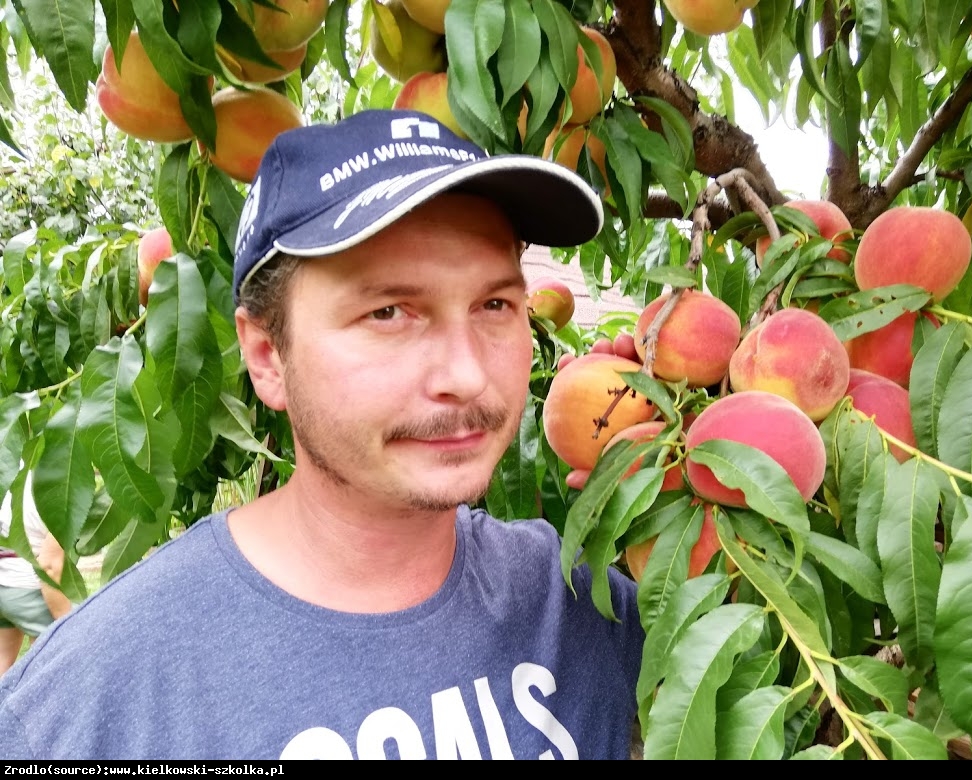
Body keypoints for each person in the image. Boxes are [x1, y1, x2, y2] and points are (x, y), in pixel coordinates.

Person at [0, 109, 643, 759]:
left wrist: (684, 486)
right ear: (266, 358)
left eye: (495, 305)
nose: (467, 374)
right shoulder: (99, 701)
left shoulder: (578, 604)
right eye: (388, 312)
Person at [0, 474, 72, 676]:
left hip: (3, 581)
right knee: (49, 670)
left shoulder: (17, 469)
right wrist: (69, 623)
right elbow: (49, 566)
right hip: (27, 587)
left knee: (2, 667)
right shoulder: (63, 490)